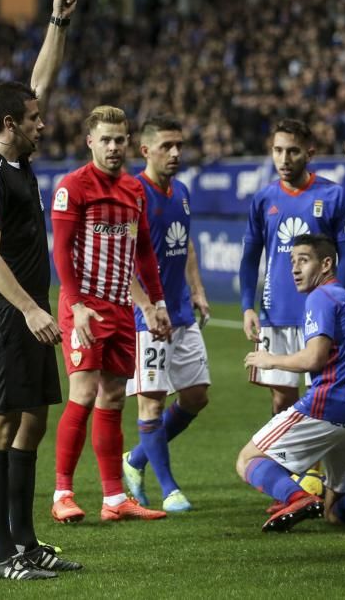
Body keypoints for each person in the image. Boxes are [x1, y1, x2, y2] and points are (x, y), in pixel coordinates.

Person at [0, 0, 82, 581]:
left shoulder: (16, 157)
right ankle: (0, 552)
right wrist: (33, 310)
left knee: (32, 419)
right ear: (10, 124)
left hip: (29, 312)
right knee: (0, 423)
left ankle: (26, 542)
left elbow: (38, 81)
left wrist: (57, 23)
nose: (44, 121)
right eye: (34, 119)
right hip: (5, 312)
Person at [50, 105, 172, 524]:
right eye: (106, 139)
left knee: (114, 398)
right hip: (84, 307)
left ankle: (114, 498)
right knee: (83, 393)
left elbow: (144, 252)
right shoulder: (73, 187)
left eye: (120, 140)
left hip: (120, 307)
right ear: (90, 142)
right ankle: (62, 492)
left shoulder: (134, 190)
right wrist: (76, 305)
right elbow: (61, 251)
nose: (114, 147)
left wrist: (154, 304)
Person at [239, 234, 345, 533]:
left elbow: (314, 358)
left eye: (303, 261)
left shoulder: (321, 297)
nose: (295, 269)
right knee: (335, 512)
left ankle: (298, 497)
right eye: (292, 262)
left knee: (248, 460)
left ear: (327, 263)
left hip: (332, 405)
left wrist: (271, 360)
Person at [121, 116, 211, 513]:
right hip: (146, 318)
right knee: (152, 403)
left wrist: (198, 289)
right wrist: (145, 305)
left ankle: (135, 459)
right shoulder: (132, 193)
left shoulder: (183, 192)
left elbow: (185, 244)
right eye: (166, 146)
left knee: (196, 397)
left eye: (179, 145)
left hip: (180, 312)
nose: (176, 153)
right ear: (145, 151)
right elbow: (121, 260)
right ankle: (169, 489)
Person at [240, 119, 345, 418]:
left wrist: (337, 301)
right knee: (282, 401)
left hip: (318, 313)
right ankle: (288, 463)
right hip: (275, 311)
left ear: (309, 153)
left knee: (321, 396)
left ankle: (314, 467)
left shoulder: (333, 195)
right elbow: (250, 256)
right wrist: (247, 306)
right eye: (278, 150)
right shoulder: (263, 198)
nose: (283, 158)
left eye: (292, 151)